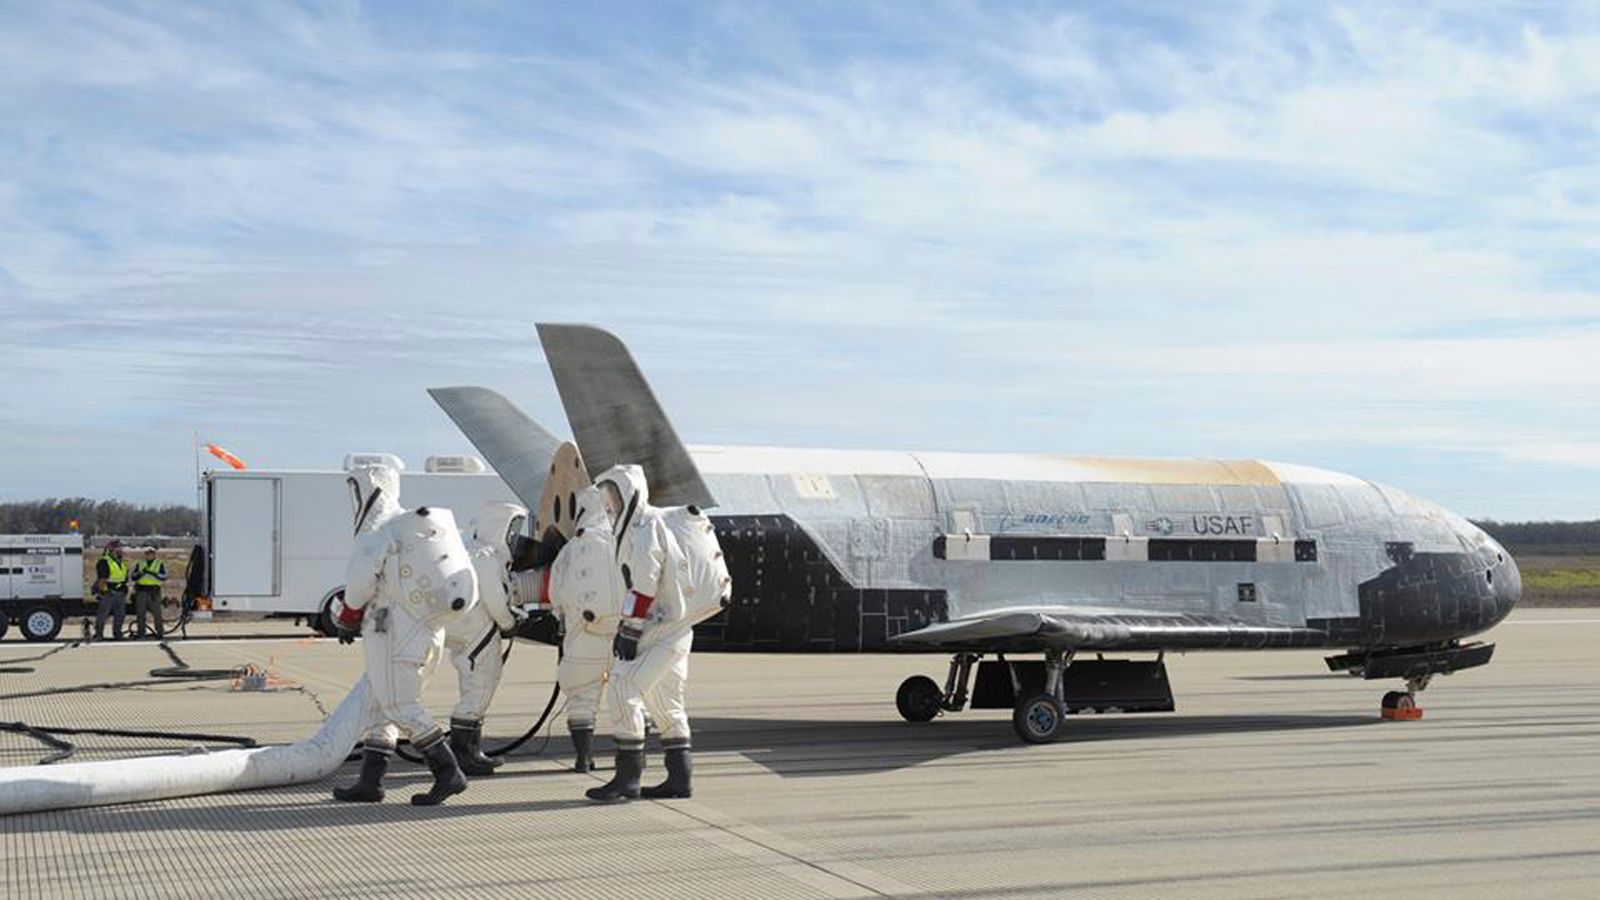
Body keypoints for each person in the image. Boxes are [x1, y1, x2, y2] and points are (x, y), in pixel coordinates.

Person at [330, 464, 479, 806]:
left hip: (394, 633)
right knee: (384, 706)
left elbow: (360, 581)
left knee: (400, 704)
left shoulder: (380, 532)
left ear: (368, 491)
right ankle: (370, 781)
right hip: (425, 632)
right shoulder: (409, 530)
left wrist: (349, 617)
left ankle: (448, 772)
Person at [585, 465, 730, 803]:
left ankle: (627, 778)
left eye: (613, 496)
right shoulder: (652, 524)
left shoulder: (644, 528)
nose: (610, 505)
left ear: (630, 493)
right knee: (666, 703)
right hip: (676, 628)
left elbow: (644, 583)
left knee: (623, 690)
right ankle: (680, 779)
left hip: (660, 629)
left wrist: (629, 629)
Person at [441, 501, 528, 776]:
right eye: (512, 529)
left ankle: (467, 751)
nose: (514, 536)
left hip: (461, 630)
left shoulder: (466, 549)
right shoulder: (486, 556)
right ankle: (466, 754)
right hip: (478, 631)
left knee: (472, 685)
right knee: (480, 685)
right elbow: (494, 597)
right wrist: (509, 621)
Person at [547, 485, 626, 772]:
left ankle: (583, 758)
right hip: (622, 634)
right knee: (628, 695)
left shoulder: (572, 548)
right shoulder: (624, 541)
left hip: (582, 633)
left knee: (581, 696)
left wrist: (561, 616)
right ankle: (630, 762)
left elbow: (555, 589)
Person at [92, 540, 130, 641]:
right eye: (118, 548)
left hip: (120, 592)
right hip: (108, 592)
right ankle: (98, 634)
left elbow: (124, 577)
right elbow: (102, 578)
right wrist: (101, 591)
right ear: (112, 549)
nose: (121, 550)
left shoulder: (121, 562)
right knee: (103, 615)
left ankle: (117, 634)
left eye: (121, 548)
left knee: (120, 615)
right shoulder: (105, 561)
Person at [130, 548, 169, 639]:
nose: (149, 555)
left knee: (157, 614)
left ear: (154, 554)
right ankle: (141, 633)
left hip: (154, 593)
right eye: (147, 553)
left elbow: (164, 576)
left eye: (151, 553)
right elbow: (133, 577)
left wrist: (153, 574)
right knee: (140, 614)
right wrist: (141, 573)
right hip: (141, 592)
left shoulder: (160, 563)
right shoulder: (140, 564)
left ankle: (159, 633)